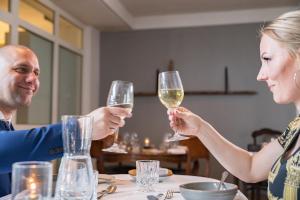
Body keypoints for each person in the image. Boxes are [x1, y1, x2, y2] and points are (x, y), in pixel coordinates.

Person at [168, 10, 300, 199]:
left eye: (267, 59)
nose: (260, 75)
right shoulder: (295, 128)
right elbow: (251, 168)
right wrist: (200, 128)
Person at [0, 45, 132, 196]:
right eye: (21, 69)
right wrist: (81, 128)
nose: (32, 79)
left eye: (36, 73)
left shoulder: (6, 125)